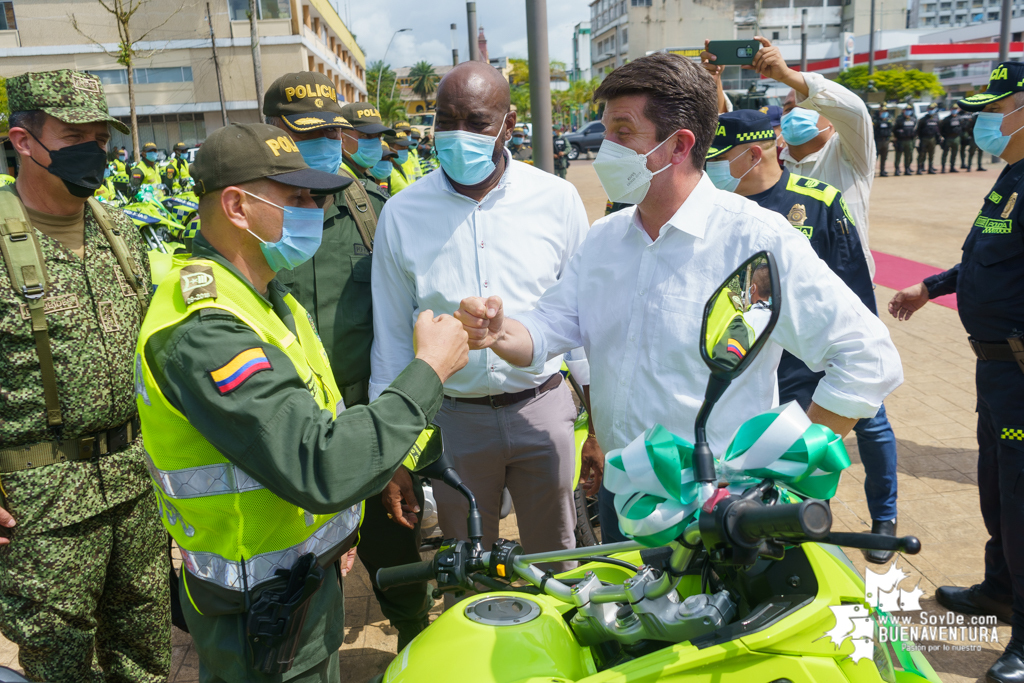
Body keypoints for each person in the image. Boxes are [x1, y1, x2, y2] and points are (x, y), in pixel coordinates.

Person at [455, 52, 903, 544]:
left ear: (679, 145)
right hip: (624, 489)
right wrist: (500, 332)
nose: (605, 148)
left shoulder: (752, 240)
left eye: (623, 133)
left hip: (717, 510)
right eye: (606, 131)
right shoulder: (604, 239)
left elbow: (867, 357)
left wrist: (780, 470)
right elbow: (547, 328)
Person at [137, 122, 469, 681]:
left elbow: (317, 424)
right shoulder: (207, 331)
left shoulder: (268, 299)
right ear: (238, 206)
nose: (315, 210)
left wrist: (338, 532)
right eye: (298, 198)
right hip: (260, 614)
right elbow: (323, 465)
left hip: (299, 581)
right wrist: (429, 370)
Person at [370, 61, 596, 584]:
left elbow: (582, 319)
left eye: (475, 121)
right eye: (445, 121)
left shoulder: (557, 199)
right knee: (470, 573)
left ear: (508, 124)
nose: (457, 135)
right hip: (456, 422)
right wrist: (394, 454)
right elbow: (390, 343)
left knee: (557, 566)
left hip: (543, 410)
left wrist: (598, 428)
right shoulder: (402, 214)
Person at [0, 68, 169, 682]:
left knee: (145, 656)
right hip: (43, 504)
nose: (93, 150)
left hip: (135, 484)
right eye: (75, 134)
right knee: (62, 665)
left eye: (101, 136)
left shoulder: (118, 229)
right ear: (23, 141)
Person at [262, 72, 433, 650]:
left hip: (365, 416)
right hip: (284, 425)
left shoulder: (375, 213)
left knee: (394, 549)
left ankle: (413, 641)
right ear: (273, 135)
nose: (330, 143)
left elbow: (404, 318)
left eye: (335, 130)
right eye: (310, 133)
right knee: (291, 576)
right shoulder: (255, 216)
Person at [706, 109, 901, 562]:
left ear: (754, 154)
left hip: (820, 355)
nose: (711, 168)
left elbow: (853, 285)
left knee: (861, 434)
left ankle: (883, 515)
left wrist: (849, 356)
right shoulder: (720, 208)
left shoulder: (818, 200)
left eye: (720, 157)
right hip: (760, 361)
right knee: (782, 465)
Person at [887, 61, 1024, 683]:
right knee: (998, 492)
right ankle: (1000, 589)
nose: (985, 122)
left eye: (996, 109)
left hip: (1022, 373)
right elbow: (985, 256)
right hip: (996, 371)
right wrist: (931, 286)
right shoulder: (1012, 178)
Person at [717, 36, 877, 277]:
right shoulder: (774, 162)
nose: (795, 114)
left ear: (833, 119)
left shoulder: (851, 155)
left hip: (844, 278)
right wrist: (714, 81)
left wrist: (785, 75)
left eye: (808, 106)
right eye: (788, 108)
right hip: (785, 282)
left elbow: (855, 111)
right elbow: (732, 136)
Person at [340, 102, 392, 182]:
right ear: (342, 138)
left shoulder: (364, 175)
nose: (375, 143)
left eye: (378, 136)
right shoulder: (339, 178)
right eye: (365, 135)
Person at [916, 103, 940, 175]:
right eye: (930, 109)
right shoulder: (923, 119)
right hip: (924, 139)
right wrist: (920, 138)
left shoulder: (936, 119)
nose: (931, 111)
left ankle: (930, 168)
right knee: (922, 155)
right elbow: (918, 130)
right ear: (927, 110)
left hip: (932, 139)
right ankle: (919, 169)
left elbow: (938, 129)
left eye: (933, 109)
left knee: (931, 154)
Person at [894, 104, 917, 176]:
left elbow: (915, 129)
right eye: (907, 110)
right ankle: (897, 169)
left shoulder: (913, 119)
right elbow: (894, 129)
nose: (908, 112)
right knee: (898, 156)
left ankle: (907, 168)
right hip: (901, 140)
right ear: (903, 111)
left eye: (909, 110)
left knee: (908, 155)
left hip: (909, 140)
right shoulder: (899, 120)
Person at [940, 103, 962, 173]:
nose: (954, 110)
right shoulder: (946, 119)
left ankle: (952, 167)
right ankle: (943, 168)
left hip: (956, 138)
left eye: (956, 109)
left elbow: (962, 128)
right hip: (948, 138)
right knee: (945, 153)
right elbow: (941, 129)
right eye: (953, 109)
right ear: (950, 109)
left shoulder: (959, 118)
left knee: (954, 153)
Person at [874, 104, 894, 177]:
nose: (884, 113)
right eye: (883, 111)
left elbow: (892, 129)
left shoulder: (889, 120)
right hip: (877, 141)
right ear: (879, 112)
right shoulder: (875, 120)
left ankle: (882, 171)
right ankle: (873, 172)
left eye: (885, 111)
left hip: (886, 140)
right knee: (875, 157)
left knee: (884, 157)